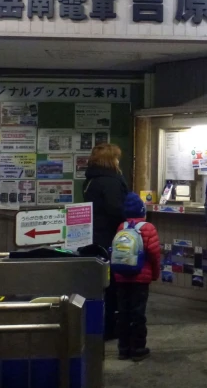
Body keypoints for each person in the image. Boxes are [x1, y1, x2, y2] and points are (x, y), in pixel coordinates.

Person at [83, 143, 128, 340]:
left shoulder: (90, 180)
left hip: (93, 237)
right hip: (110, 237)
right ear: (111, 160)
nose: (119, 161)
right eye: (117, 158)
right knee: (112, 286)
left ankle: (99, 324)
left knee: (100, 283)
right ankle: (110, 327)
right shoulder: (110, 182)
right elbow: (116, 211)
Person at [113, 193, 161, 362]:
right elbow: (154, 255)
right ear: (142, 211)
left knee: (123, 313)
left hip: (121, 277)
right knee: (138, 314)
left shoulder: (121, 226)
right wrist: (155, 273)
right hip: (141, 279)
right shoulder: (148, 228)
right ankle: (138, 348)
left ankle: (123, 348)